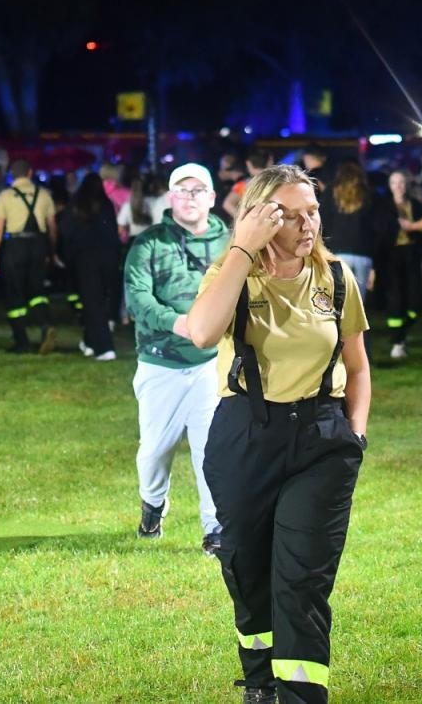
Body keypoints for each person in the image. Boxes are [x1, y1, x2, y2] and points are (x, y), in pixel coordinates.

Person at [186, 164, 370, 704]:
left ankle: (301, 696)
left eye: (312, 211)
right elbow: (200, 334)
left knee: (303, 579)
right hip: (247, 436)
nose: (306, 223)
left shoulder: (335, 277)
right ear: (261, 218)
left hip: (321, 439)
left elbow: (357, 368)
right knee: (247, 564)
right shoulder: (232, 272)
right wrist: (242, 250)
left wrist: (353, 438)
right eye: (289, 215)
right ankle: (259, 679)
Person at [121, 163, 229, 555]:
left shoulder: (232, 244)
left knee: (211, 450)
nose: (189, 197)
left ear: (212, 198)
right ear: (170, 198)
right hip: (160, 361)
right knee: (154, 450)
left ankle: (215, 529)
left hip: (211, 363)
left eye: (198, 190)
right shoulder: (149, 243)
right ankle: (153, 504)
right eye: (181, 191)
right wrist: (179, 323)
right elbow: (139, 299)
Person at [0, 160, 59, 355]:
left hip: (15, 246)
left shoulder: (5, 196)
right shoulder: (44, 194)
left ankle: (22, 341)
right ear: (30, 173)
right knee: (37, 290)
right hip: (38, 245)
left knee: (14, 291)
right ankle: (46, 324)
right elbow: (52, 228)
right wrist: (51, 251)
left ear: (12, 174)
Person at [60, 174, 121, 360]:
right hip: (107, 257)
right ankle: (90, 343)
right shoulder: (106, 205)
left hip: (85, 258)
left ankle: (104, 347)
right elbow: (112, 233)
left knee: (91, 302)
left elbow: (66, 232)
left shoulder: (76, 206)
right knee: (99, 300)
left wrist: (67, 257)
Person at [319, 161, 378, 310]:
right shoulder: (369, 193)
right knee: (358, 301)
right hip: (363, 253)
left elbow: (322, 222)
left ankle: (339, 332)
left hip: (336, 252)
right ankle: (357, 332)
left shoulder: (330, 192)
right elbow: (376, 228)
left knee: (338, 299)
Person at [379, 168, 422, 361]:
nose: (398, 187)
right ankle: (397, 342)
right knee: (396, 298)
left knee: (416, 300)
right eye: (394, 183)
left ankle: (401, 336)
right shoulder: (383, 206)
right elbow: (380, 234)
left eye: (401, 182)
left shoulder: (416, 205)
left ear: (407, 185)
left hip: (412, 254)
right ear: (389, 186)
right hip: (392, 256)